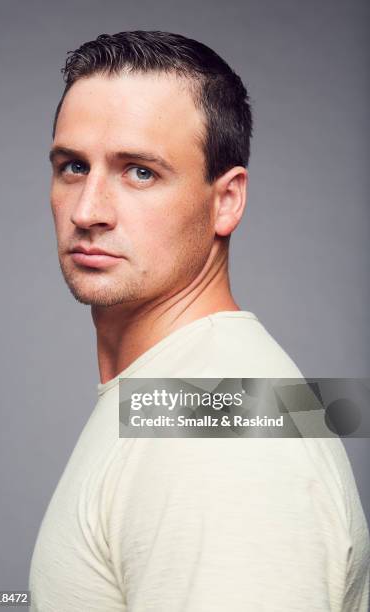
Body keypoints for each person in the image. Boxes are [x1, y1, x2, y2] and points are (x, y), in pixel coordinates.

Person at [28, 31, 370, 611]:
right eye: (72, 166)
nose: (87, 211)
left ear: (227, 200)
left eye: (140, 172)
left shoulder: (220, 432)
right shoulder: (194, 395)